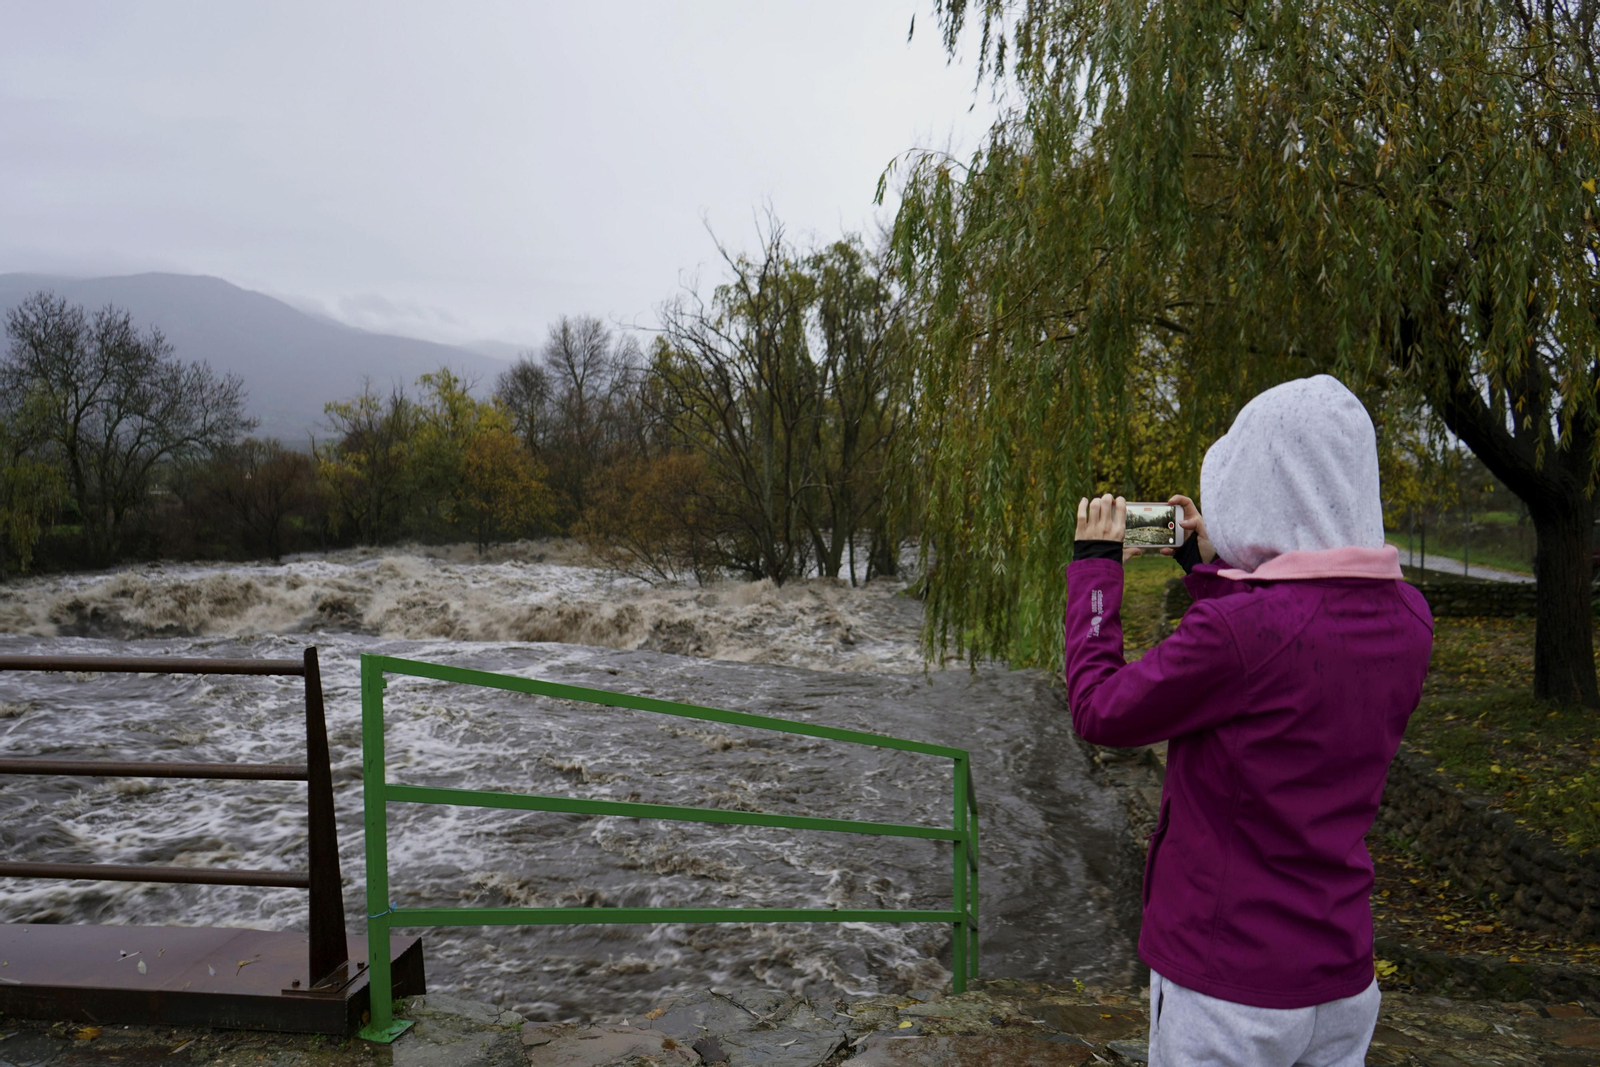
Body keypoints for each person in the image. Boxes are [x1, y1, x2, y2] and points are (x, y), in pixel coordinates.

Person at [1063, 375, 1434, 1067]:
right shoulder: (1410, 620)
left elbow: (1099, 708)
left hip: (1227, 987)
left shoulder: (1242, 634)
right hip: (1341, 981)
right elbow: (1282, 645)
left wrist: (1094, 570)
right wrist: (1211, 562)